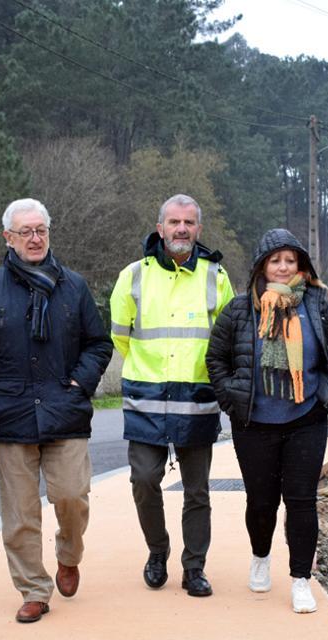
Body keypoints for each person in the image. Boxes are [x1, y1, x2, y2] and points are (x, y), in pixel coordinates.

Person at [0, 199, 112, 623]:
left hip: (65, 410)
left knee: (71, 497)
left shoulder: (74, 286)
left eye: (40, 230)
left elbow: (99, 344)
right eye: (25, 231)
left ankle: (69, 554)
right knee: (20, 513)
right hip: (10, 415)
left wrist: (80, 383)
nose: (34, 238)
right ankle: (33, 589)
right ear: (7, 237)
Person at [206, 229, 328, 613]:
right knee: (261, 501)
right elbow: (215, 359)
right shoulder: (238, 309)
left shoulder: (317, 305)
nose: (283, 267)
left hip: (306, 419)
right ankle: (260, 556)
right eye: (275, 260)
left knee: (301, 501)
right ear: (261, 267)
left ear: (300, 265)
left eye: (290, 260)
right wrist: (231, 397)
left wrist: (323, 396)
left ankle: (301, 579)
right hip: (253, 423)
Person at [109, 194, 234, 597]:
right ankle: (157, 552)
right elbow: (120, 337)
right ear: (159, 227)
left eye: (189, 222)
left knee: (197, 490)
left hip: (197, 399)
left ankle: (194, 567)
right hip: (146, 399)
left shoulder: (217, 276)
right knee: (144, 480)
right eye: (174, 222)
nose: (182, 229)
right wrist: (152, 371)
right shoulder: (133, 276)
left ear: (199, 229)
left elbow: (227, 340)